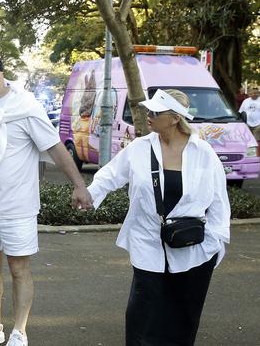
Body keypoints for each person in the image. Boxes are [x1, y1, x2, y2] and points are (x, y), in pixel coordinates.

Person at [0, 49, 93, 346]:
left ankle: (19, 331)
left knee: (18, 267)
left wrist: (79, 185)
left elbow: (55, 149)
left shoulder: (26, 108)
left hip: (17, 206)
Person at [87, 89, 230, 345]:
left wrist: (216, 243)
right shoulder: (140, 148)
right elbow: (110, 175)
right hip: (147, 240)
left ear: (175, 118)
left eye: (155, 112)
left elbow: (219, 200)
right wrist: (88, 196)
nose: (148, 116)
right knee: (142, 312)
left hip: (193, 247)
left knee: (183, 315)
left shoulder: (203, 152)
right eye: (148, 110)